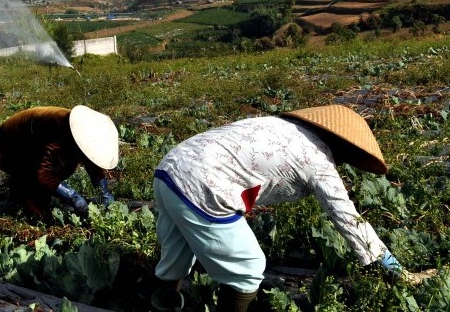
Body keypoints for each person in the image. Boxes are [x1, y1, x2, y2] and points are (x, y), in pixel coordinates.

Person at [152, 104, 407, 312]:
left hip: (168, 169)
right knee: (247, 270)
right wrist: (391, 267)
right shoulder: (317, 161)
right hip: (203, 185)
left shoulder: (276, 124)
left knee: (176, 257)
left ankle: (159, 307)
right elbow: (347, 217)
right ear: (343, 147)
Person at [0, 105, 119, 219]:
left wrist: (104, 192)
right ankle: (13, 207)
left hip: (35, 134)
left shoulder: (83, 132)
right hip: (16, 138)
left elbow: (91, 161)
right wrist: (72, 196)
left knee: (49, 180)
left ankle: (20, 197)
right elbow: (43, 173)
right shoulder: (59, 130)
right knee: (30, 184)